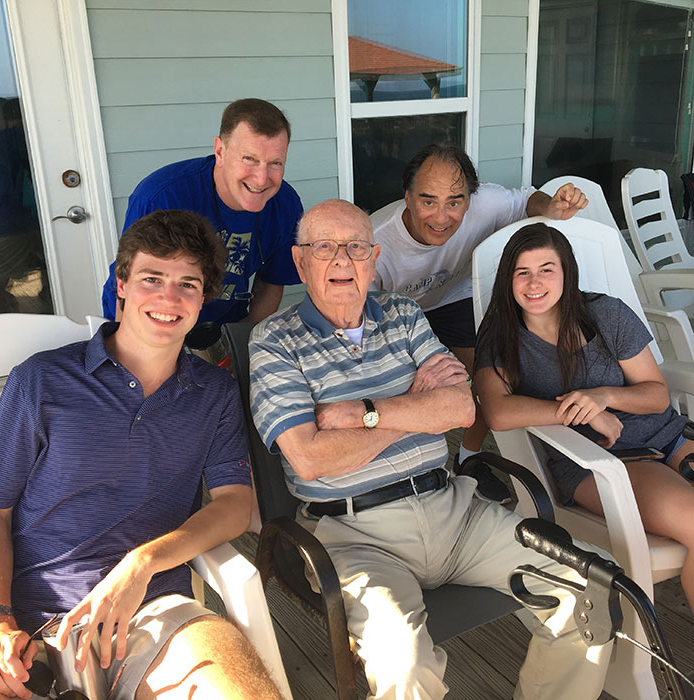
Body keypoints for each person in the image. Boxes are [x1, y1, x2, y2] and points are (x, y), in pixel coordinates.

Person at [249, 199, 613, 700]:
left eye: (355, 247)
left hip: (456, 514)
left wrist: (363, 413)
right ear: (299, 261)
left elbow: (462, 409)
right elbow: (311, 457)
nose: (341, 260)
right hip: (356, 535)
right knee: (404, 663)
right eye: (324, 248)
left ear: (374, 257)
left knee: (589, 582)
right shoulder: (275, 341)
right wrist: (415, 404)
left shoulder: (403, 314)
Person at [0, 210, 283, 700]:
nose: (169, 298)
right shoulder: (41, 381)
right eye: (153, 278)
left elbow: (235, 503)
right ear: (122, 283)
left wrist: (143, 562)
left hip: (154, 611)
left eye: (188, 284)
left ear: (203, 300)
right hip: (29, 623)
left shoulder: (213, 392)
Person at [474, 221, 694, 610]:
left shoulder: (606, 314)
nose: (533, 282)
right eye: (521, 272)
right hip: (600, 463)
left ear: (566, 273)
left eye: (546, 269)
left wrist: (602, 397)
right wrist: (581, 414)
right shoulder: (502, 335)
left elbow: (656, 396)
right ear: (508, 279)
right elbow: (498, 412)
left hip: (668, 437)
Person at [370, 144, 587, 502]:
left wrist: (549, 207)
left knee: (495, 374)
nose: (441, 217)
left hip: (452, 299)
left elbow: (526, 200)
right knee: (395, 387)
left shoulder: (486, 201)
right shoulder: (376, 241)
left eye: (454, 202)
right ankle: (398, 470)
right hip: (393, 312)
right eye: (428, 201)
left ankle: (469, 459)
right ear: (407, 197)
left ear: (470, 199)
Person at [101, 98, 303, 331]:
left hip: (224, 319)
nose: (261, 178)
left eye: (275, 163)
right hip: (151, 316)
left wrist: (248, 340)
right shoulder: (163, 196)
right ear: (220, 151)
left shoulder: (285, 204)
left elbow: (272, 279)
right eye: (249, 159)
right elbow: (133, 283)